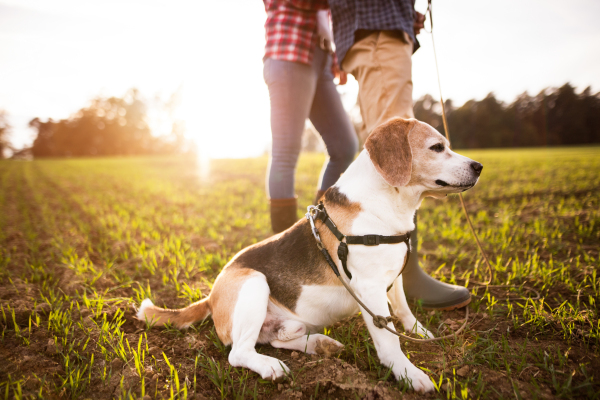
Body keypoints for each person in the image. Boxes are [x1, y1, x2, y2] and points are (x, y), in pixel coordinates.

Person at [328, 0, 471, 310]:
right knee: (394, 143)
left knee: (387, 141)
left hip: (381, 26)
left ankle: (373, 264)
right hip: (378, 25)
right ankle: (405, 275)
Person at [262, 0, 358, 233]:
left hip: (321, 59)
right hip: (289, 52)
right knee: (286, 151)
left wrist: (336, 58)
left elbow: (325, 17)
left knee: (344, 146)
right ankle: (283, 246)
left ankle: (316, 231)